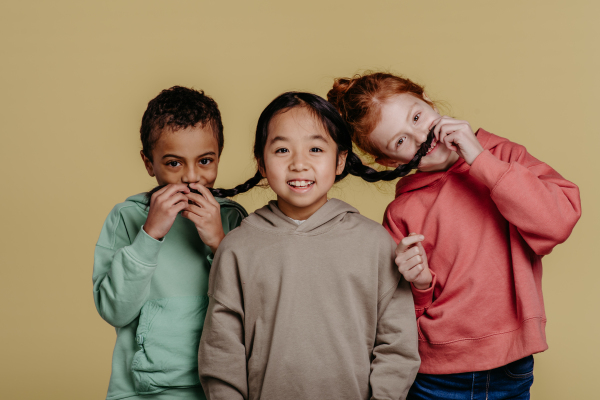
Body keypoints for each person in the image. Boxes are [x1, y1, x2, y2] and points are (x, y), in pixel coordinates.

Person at [327, 72, 582, 399]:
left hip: (511, 366)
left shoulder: (502, 156)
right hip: (436, 376)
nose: (421, 137)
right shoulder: (402, 212)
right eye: (401, 141)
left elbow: (557, 222)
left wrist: (480, 159)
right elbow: (395, 316)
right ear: (390, 161)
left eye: (417, 117)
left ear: (429, 102)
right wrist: (419, 284)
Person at [197, 92, 420, 400]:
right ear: (261, 162)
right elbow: (221, 352)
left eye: (315, 148)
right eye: (282, 150)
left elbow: (398, 345)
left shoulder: (374, 243)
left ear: (340, 160)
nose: (299, 164)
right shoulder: (237, 248)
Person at [93, 86, 247, 400]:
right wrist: (149, 236)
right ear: (149, 163)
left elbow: (256, 308)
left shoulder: (232, 218)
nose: (192, 177)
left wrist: (220, 243)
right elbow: (114, 310)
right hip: (140, 391)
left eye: (205, 161)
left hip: (220, 388)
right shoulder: (127, 218)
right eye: (174, 163)